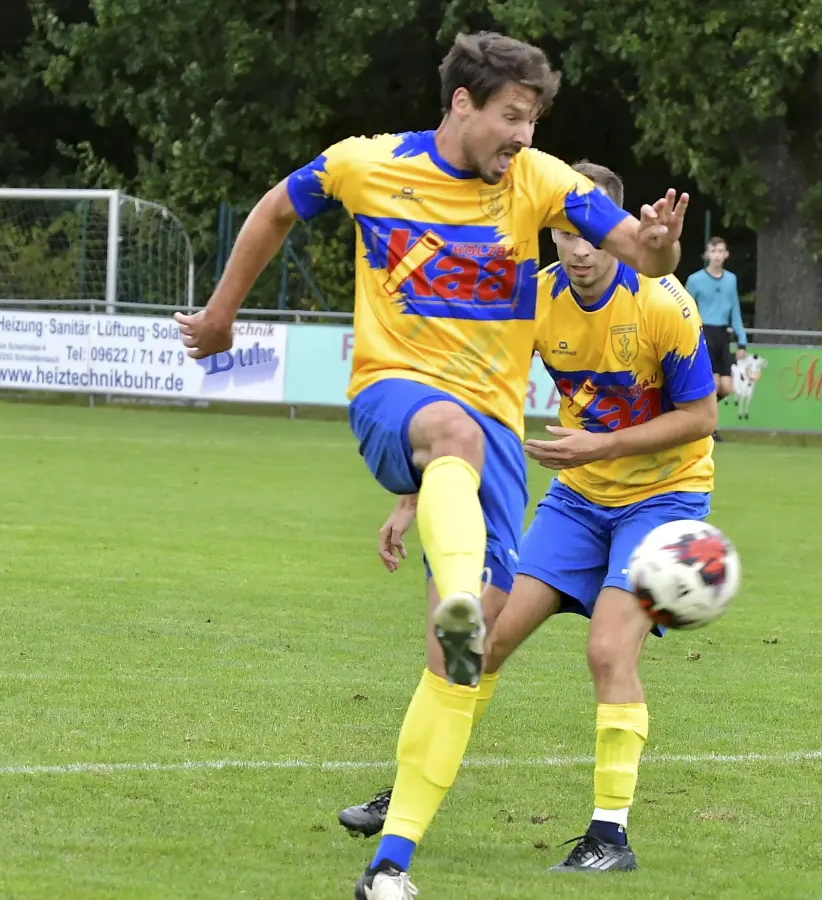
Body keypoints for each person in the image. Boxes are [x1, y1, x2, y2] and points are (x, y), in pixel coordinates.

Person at [172, 33, 690, 900]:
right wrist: (223, 315)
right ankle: (455, 585)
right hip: (395, 399)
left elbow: (641, 252)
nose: (524, 135)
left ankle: (391, 865)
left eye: (534, 120)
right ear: (462, 105)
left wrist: (666, 245)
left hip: (487, 442)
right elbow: (275, 209)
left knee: (460, 662)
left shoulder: (542, 182)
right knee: (451, 433)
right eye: (511, 117)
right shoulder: (367, 165)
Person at [335, 163, 719, 875]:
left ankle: (610, 836)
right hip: (577, 499)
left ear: (617, 230)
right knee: (473, 642)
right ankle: (412, 789)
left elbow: (702, 417)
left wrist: (600, 443)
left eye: (591, 233)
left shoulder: (665, 305)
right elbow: (471, 395)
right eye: (564, 232)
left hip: (665, 499)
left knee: (608, 650)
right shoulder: (533, 298)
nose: (577, 249)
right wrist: (414, 493)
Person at [684, 237, 748, 404]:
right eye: (713, 251)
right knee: (713, 384)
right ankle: (708, 426)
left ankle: (702, 413)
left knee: (727, 387)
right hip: (704, 333)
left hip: (722, 335)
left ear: (726, 254)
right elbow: (683, 309)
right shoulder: (695, 280)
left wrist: (742, 341)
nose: (717, 255)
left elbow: (735, 311)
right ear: (707, 254)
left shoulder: (730, 279)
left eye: (720, 251)